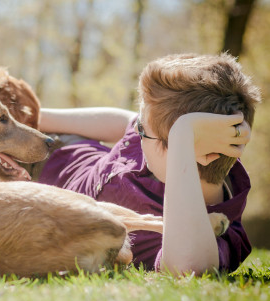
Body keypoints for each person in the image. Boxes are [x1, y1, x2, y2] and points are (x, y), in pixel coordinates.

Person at [37, 53, 261, 274]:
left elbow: (188, 267)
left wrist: (182, 133)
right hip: (54, 146)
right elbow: (126, 121)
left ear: (182, 151)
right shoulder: (157, 135)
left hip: (33, 199)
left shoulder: (221, 234)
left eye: (143, 130)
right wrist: (36, 119)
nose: (136, 130)